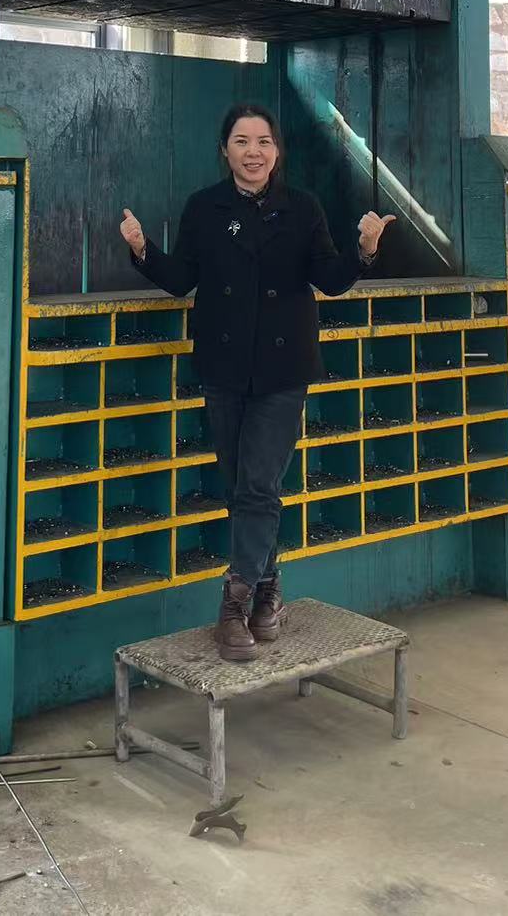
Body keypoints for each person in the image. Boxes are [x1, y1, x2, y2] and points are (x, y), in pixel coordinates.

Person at [120, 103, 394, 662]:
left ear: (276, 151)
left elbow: (330, 279)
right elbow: (181, 279)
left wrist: (364, 251)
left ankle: (234, 603)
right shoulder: (204, 207)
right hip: (222, 367)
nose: (253, 152)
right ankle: (268, 588)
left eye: (263, 141)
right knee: (240, 487)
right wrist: (142, 249)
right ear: (225, 150)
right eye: (242, 141)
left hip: (283, 369)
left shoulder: (303, 207)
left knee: (258, 486)